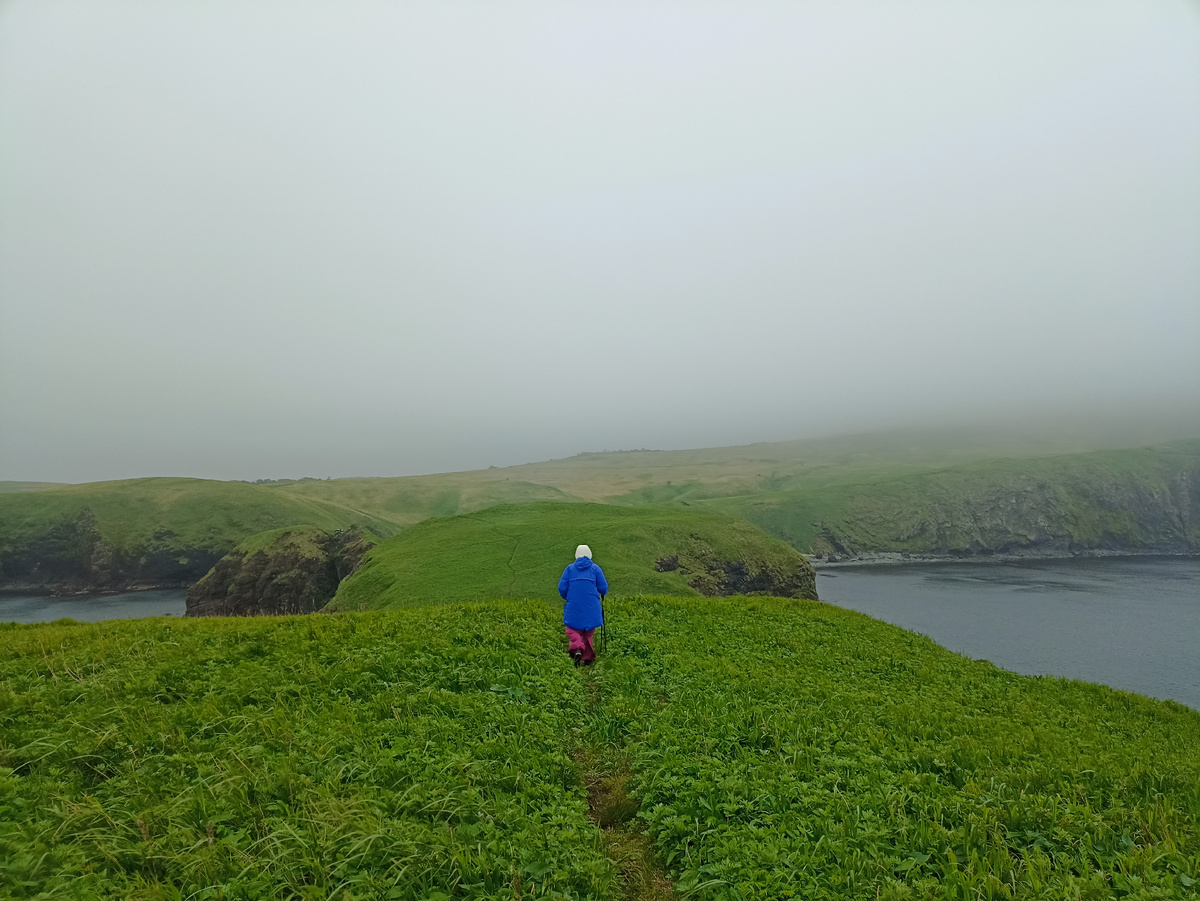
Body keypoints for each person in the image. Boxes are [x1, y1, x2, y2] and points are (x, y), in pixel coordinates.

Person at [558, 544, 607, 667]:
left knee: (572, 629)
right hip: (592, 607)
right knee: (588, 632)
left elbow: (561, 587)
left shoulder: (569, 569)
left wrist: (568, 597)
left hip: (574, 605)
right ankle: (588, 658)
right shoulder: (595, 569)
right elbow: (603, 587)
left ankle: (577, 648)